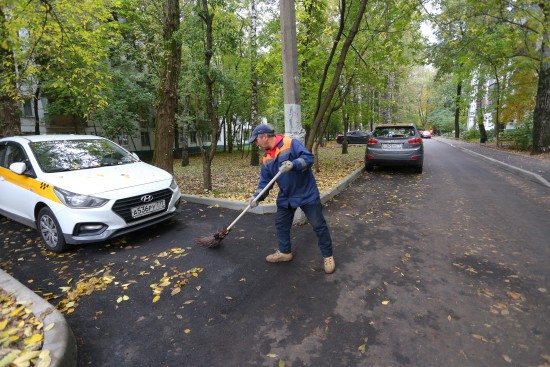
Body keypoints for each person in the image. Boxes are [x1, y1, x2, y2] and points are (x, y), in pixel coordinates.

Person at [247, 123, 335, 274]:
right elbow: (265, 182)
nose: (256, 143)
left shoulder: (290, 143)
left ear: (265, 136)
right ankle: (285, 252)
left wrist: (293, 164)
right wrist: (257, 197)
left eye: (256, 140)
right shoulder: (267, 157)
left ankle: (328, 256)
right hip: (287, 195)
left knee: (318, 225)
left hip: (306, 192)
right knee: (281, 223)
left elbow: (308, 158)